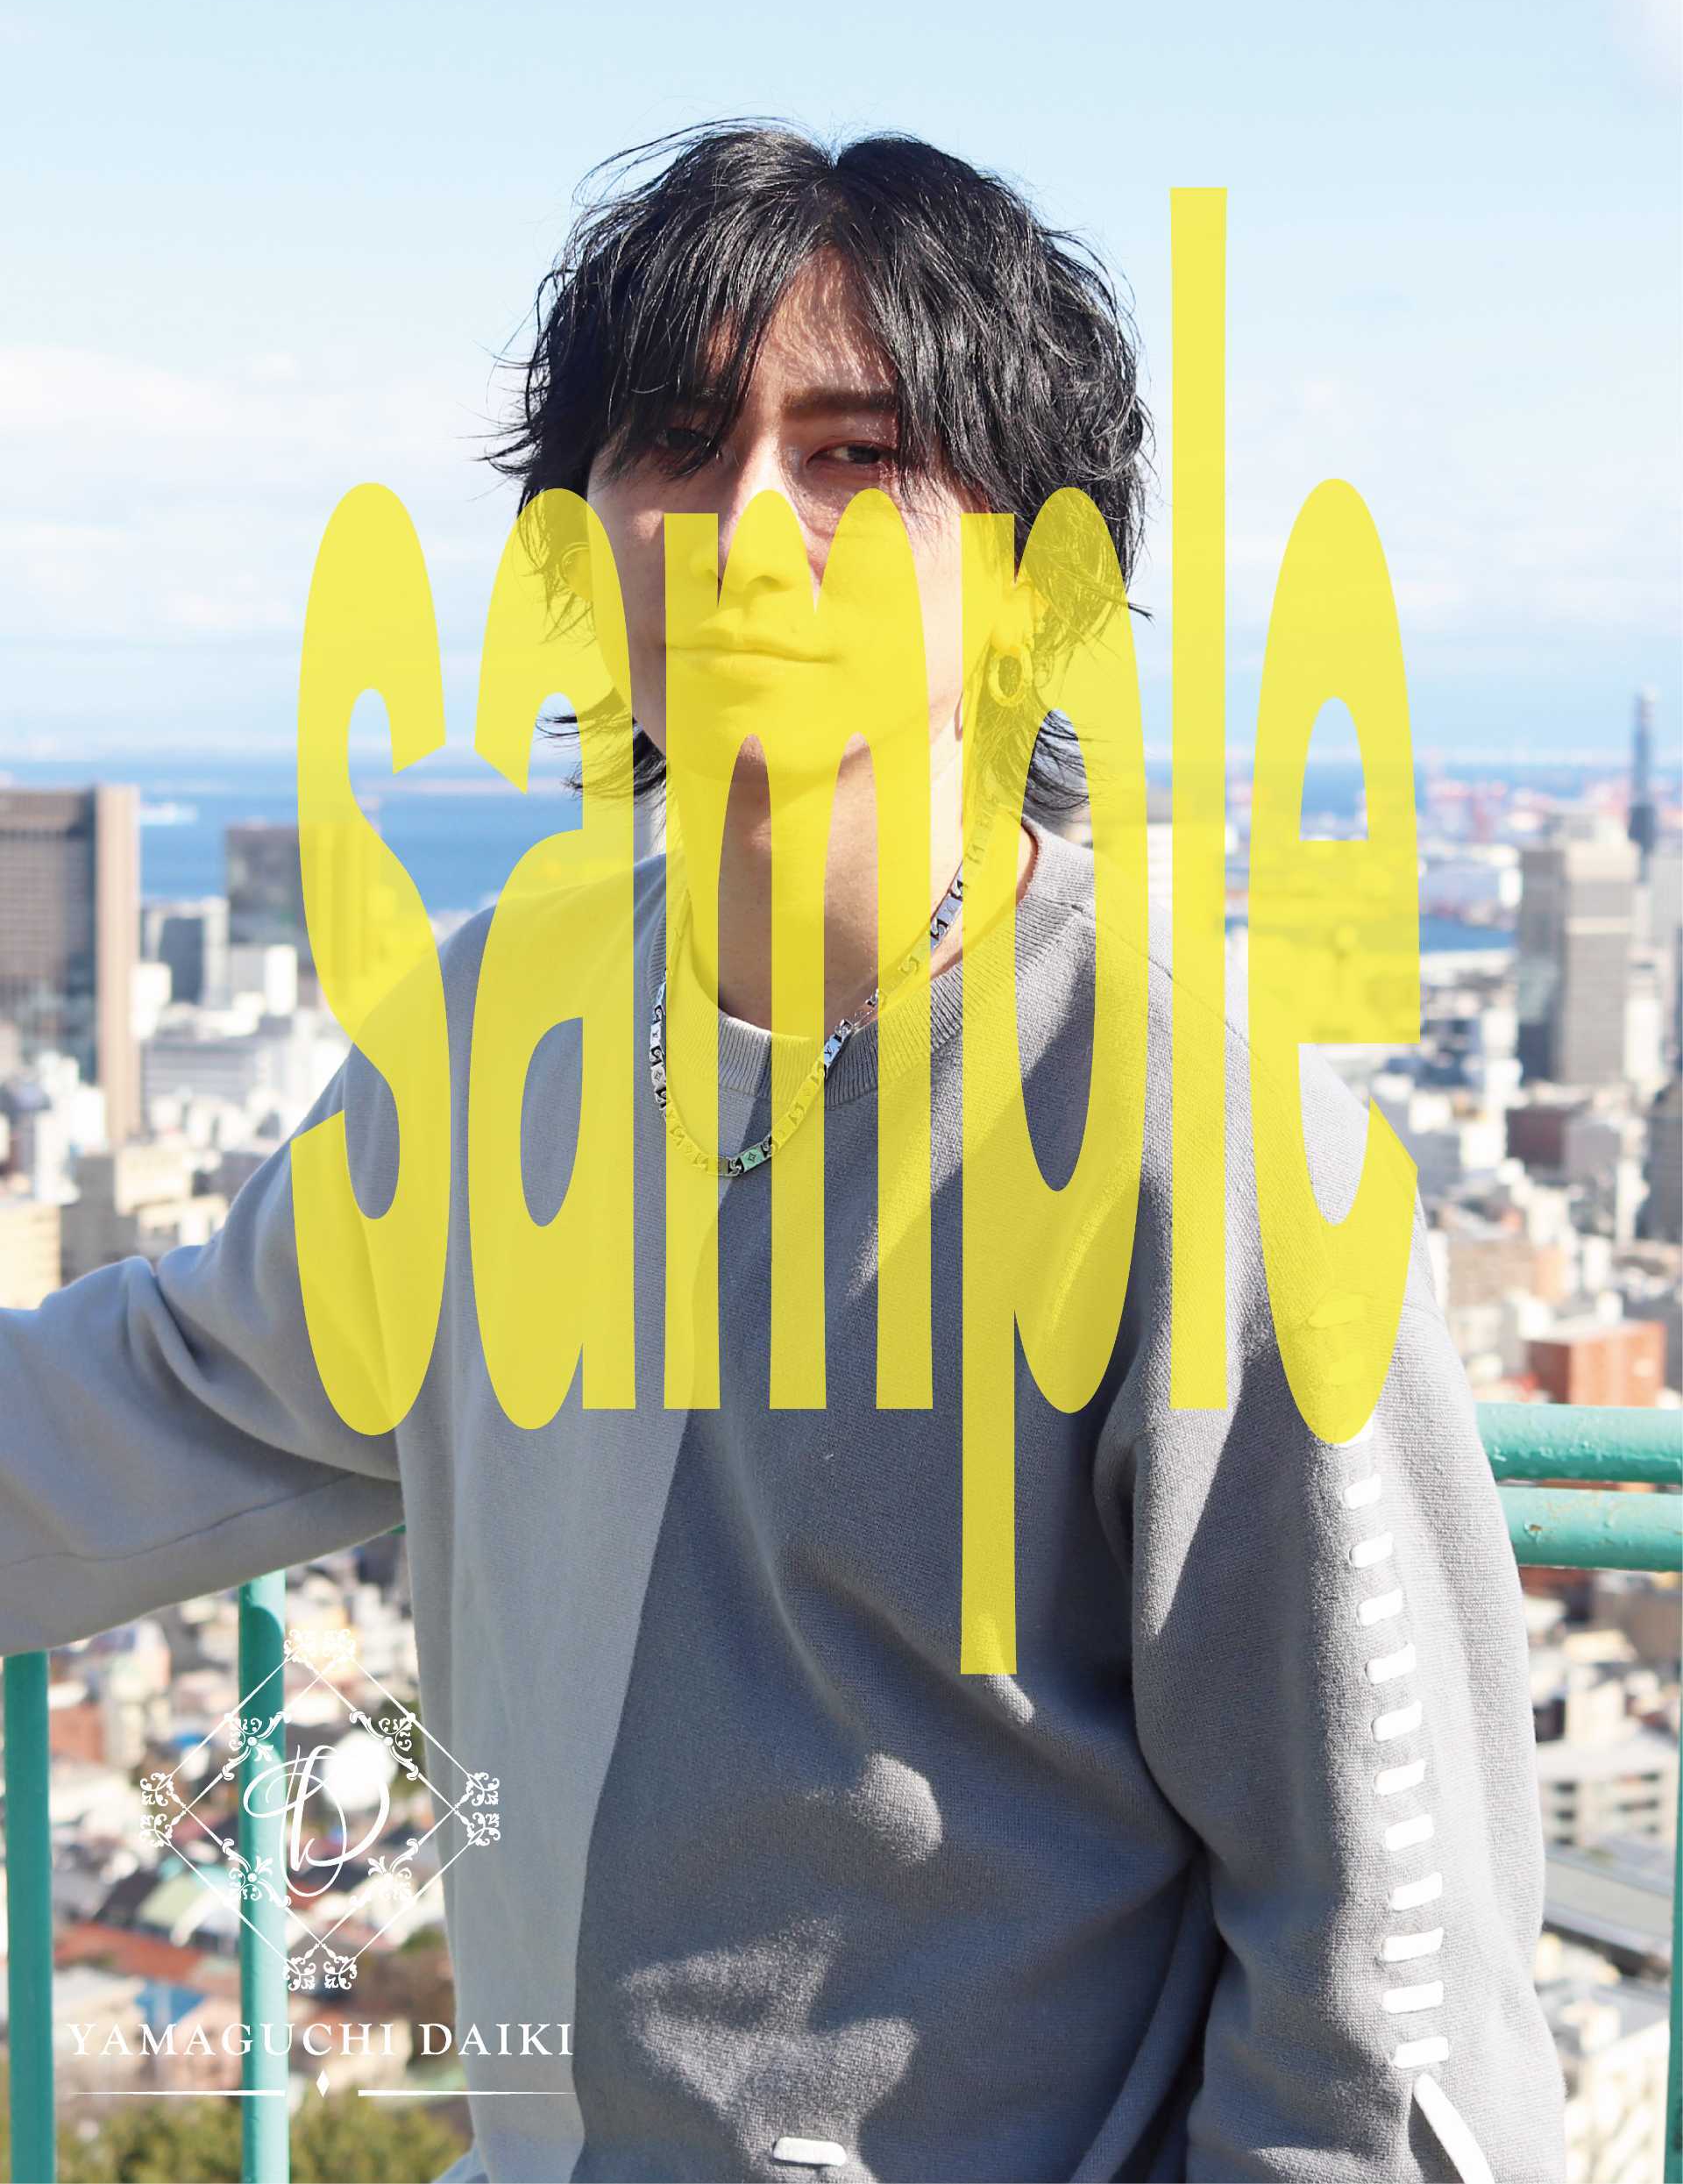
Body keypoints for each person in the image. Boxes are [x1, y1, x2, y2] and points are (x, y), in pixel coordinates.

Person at [0, 124, 1565, 2183]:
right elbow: (162, 1403)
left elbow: (1385, 2000)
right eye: (675, 442)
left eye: (857, 455)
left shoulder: (1201, 1137)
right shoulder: (500, 1039)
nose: (748, 524)